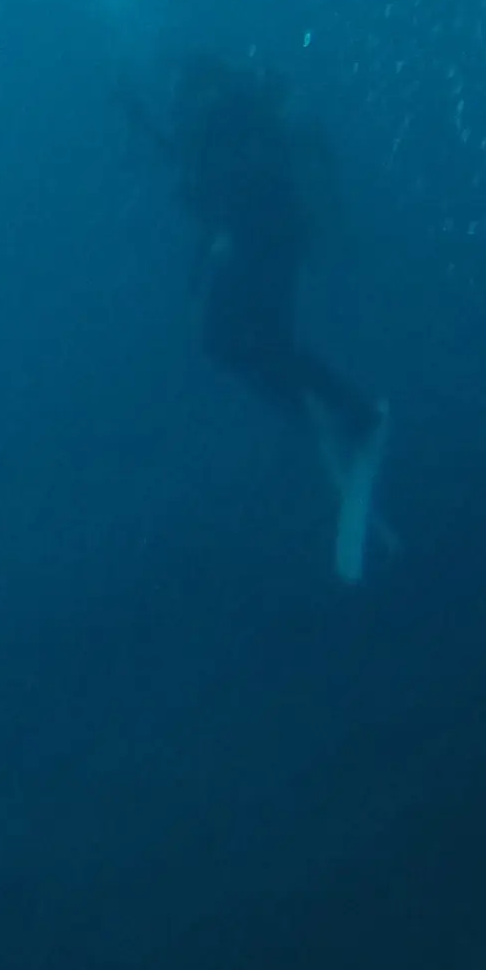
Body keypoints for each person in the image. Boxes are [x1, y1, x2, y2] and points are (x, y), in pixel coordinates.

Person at [138, 51, 392, 583]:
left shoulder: (225, 113)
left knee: (244, 342)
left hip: (265, 243)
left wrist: (225, 229)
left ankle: (356, 414)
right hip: (264, 243)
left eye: (183, 89)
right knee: (234, 342)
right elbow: (216, 196)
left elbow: (243, 185)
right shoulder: (223, 119)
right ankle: (316, 407)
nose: (178, 100)